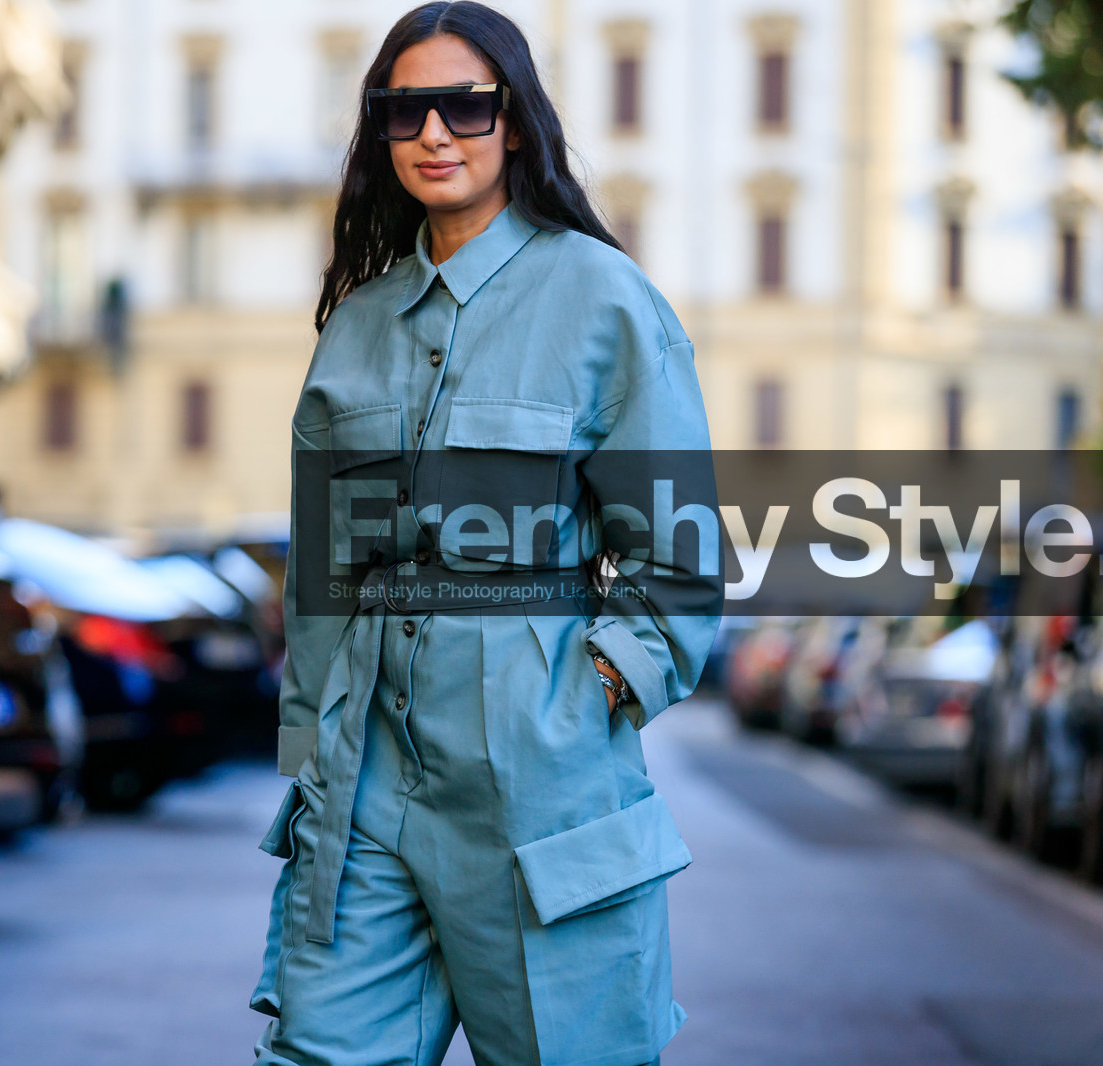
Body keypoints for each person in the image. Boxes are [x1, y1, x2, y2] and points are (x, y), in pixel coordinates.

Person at [251, 4, 723, 1064]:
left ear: (514, 121)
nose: (433, 132)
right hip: (367, 787)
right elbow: (324, 569)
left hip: (540, 786)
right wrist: (312, 755)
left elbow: (680, 560)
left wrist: (588, 689)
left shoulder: (603, 301)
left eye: (463, 105)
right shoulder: (357, 326)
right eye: (403, 109)